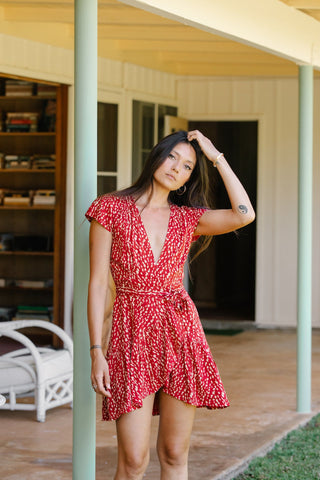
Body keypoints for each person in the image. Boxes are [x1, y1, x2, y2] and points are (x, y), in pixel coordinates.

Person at [85, 130, 255, 480]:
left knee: (175, 453)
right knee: (133, 461)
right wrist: (96, 351)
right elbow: (99, 283)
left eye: (188, 166)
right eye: (172, 157)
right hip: (132, 334)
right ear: (156, 157)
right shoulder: (110, 208)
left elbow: (244, 214)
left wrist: (215, 156)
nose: (177, 168)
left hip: (180, 333)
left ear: (189, 178)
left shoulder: (186, 219)